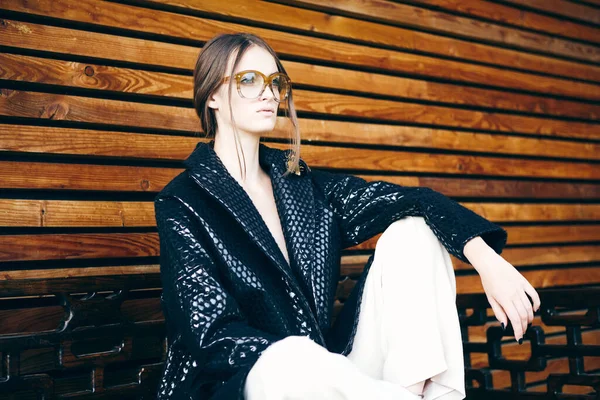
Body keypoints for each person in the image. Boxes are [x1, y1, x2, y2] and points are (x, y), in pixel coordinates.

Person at [154, 32, 541, 400]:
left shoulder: (301, 184)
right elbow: (211, 334)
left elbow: (415, 199)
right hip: (251, 381)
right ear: (212, 96)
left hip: (335, 379)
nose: (270, 92)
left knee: (414, 233)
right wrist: (311, 363)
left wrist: (487, 260)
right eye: (250, 79)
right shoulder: (183, 202)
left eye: (276, 81)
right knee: (288, 358)